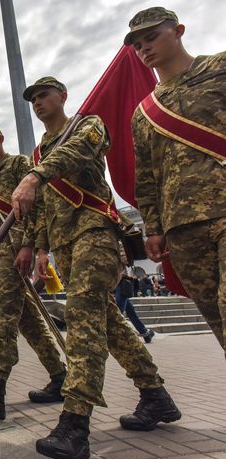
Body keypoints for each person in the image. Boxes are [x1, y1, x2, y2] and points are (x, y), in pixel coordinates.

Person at [11, 77, 180, 459]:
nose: (37, 103)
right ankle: (155, 395)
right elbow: (41, 210)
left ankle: (76, 423)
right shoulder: (40, 153)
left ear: (62, 97)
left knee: (83, 319)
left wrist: (34, 176)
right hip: (66, 246)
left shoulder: (87, 125)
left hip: (95, 234)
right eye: (32, 99)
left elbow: (77, 155)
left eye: (43, 95)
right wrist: (40, 248)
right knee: (110, 321)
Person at [127, 6, 225, 356]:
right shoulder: (144, 112)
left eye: (151, 37)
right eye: (138, 45)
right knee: (219, 324)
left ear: (178, 31)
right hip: (182, 229)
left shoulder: (219, 68)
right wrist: (153, 228)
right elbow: (147, 178)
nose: (144, 49)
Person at [0, 121, 67, 421]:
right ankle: (60, 377)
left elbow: (37, 206)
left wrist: (29, 246)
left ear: (0, 139)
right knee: (29, 323)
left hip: (17, 253)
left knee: (3, 319)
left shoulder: (20, 165)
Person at [115, 273, 155, 343]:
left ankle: (144, 334)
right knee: (123, 313)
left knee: (125, 313)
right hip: (119, 286)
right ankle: (144, 334)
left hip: (120, 286)